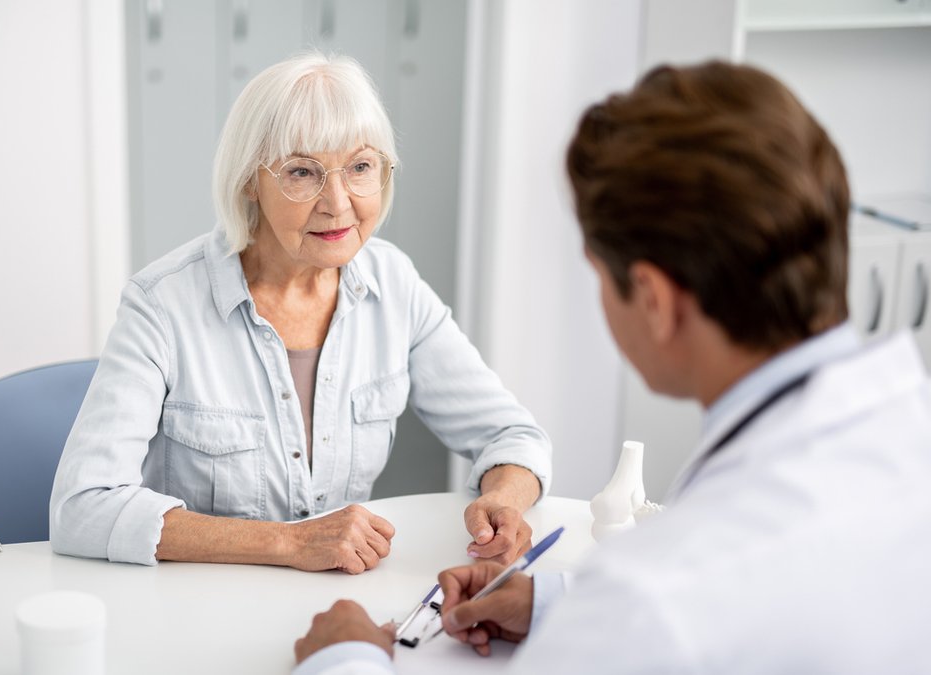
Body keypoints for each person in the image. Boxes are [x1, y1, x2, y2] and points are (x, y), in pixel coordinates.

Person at [293, 61, 931, 672]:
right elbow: (794, 587)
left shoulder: (649, 598)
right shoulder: (905, 429)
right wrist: (556, 601)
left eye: (598, 275)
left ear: (653, 300)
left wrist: (343, 658)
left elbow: (679, 603)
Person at [48, 51, 552, 572]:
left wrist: (505, 499)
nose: (338, 202)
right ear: (250, 180)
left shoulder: (393, 284)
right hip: (196, 609)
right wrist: (288, 543)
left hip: (336, 602)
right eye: (302, 172)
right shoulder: (162, 304)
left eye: (360, 167)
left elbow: (512, 437)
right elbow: (82, 507)